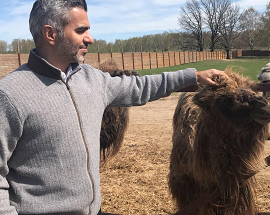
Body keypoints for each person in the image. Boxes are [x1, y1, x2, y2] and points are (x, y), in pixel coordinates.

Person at [0, 0, 226, 215]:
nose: (90, 38)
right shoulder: (10, 94)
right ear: (51, 34)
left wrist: (193, 76)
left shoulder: (92, 80)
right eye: (81, 30)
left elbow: (141, 87)